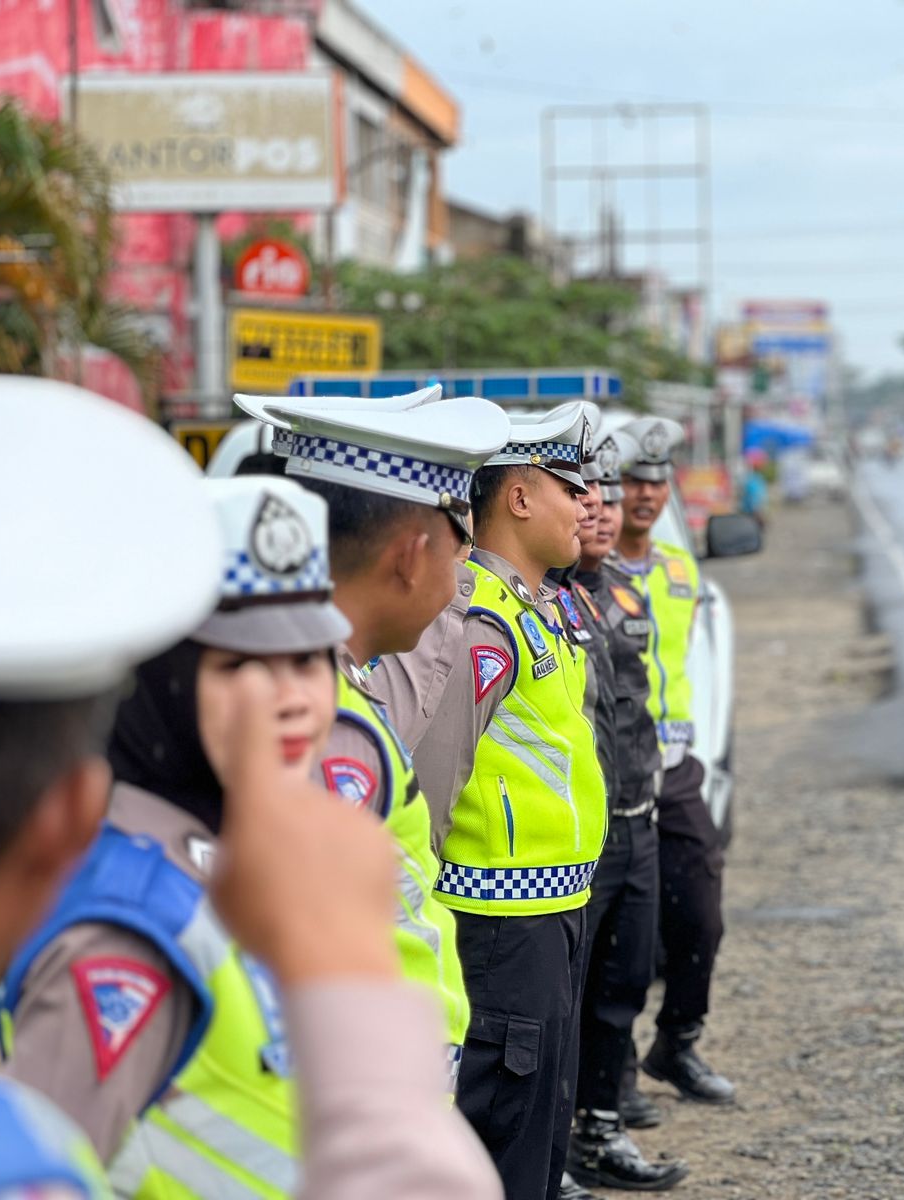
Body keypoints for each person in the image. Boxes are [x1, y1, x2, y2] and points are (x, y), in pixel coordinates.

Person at [0, 378, 498, 1199]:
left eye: (306, 660)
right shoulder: (130, 936)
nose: (288, 695)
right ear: (168, 688)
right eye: (241, 667)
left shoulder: (245, 849)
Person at [230, 384, 513, 1089]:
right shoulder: (317, 722)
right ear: (411, 557)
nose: (463, 583)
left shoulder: (328, 688)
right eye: (460, 554)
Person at [371, 401, 607, 1200]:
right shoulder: (481, 617)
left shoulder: (541, 607)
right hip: (497, 927)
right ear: (516, 498)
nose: (588, 503)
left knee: (541, 1130)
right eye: (568, 487)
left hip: (553, 910)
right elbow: (430, 785)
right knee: (502, 1135)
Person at [563, 428, 689, 1194]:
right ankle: (550, 1148)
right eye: (587, 497)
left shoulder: (623, 589)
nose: (604, 512)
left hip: (637, 817)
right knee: (561, 1000)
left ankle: (602, 1129)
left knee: (623, 987)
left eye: (611, 499)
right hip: (581, 834)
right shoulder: (539, 599)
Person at [614, 418, 736, 1108]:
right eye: (633, 480)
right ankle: (614, 1068)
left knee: (702, 912)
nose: (645, 495)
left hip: (677, 764)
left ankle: (677, 1042)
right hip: (615, 771)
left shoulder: (679, 571)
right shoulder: (588, 573)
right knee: (623, 933)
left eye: (657, 482)